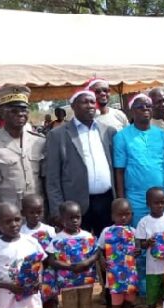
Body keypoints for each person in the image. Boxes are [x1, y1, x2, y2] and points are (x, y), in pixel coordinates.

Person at [46, 89, 115, 234]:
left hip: (107, 201)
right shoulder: (57, 135)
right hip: (75, 206)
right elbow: (52, 178)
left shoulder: (108, 131)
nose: (90, 105)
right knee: (79, 250)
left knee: (107, 246)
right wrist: (57, 210)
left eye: (92, 102)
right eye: (84, 102)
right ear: (73, 106)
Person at [0, 84, 46, 213]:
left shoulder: (40, 141)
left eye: (24, 110)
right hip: (10, 215)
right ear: (2, 112)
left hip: (39, 214)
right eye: (13, 110)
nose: (20, 114)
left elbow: (47, 180)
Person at [45, 201, 101, 308]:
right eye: (70, 218)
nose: (75, 221)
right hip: (67, 282)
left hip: (86, 280)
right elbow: (51, 260)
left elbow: (96, 253)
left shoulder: (87, 236)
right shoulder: (58, 239)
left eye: (78, 217)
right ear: (62, 220)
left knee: (86, 306)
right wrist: (70, 267)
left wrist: (87, 263)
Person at [114, 93, 164, 225]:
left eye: (149, 106)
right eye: (141, 107)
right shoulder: (121, 137)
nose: (146, 109)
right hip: (137, 199)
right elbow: (119, 171)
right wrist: (122, 200)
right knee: (140, 238)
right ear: (132, 111)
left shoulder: (162, 134)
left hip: (162, 196)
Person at [97, 199, 140, 308]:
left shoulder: (133, 231)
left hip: (129, 273)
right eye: (119, 214)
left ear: (131, 215)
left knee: (128, 301)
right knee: (116, 303)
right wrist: (102, 260)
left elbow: (138, 248)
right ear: (112, 216)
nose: (123, 217)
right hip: (114, 275)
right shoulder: (106, 231)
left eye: (127, 214)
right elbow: (98, 249)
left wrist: (138, 251)